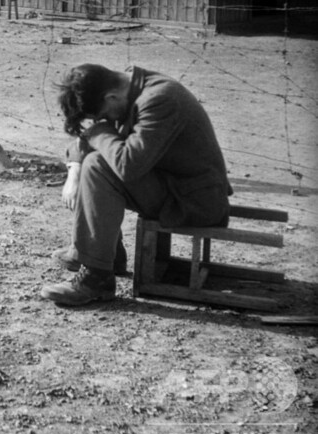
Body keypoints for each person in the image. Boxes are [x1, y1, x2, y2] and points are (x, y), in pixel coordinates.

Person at [41, 64, 232, 307]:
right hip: (173, 185)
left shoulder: (161, 99)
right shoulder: (128, 87)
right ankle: (107, 256)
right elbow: (95, 140)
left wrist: (98, 133)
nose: (106, 120)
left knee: (99, 166)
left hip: (196, 202)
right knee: (96, 160)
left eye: (103, 115)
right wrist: (74, 170)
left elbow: (127, 166)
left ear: (111, 97)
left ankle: (96, 278)